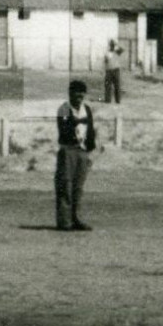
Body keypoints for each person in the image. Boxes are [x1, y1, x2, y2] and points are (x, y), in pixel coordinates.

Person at [55, 80, 100, 231]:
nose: (79, 96)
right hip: (68, 150)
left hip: (82, 152)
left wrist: (90, 150)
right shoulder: (63, 109)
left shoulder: (86, 109)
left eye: (82, 93)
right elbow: (65, 130)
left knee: (78, 187)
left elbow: (91, 130)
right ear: (70, 94)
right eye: (76, 93)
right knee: (65, 185)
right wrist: (77, 123)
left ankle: (77, 219)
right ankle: (64, 221)